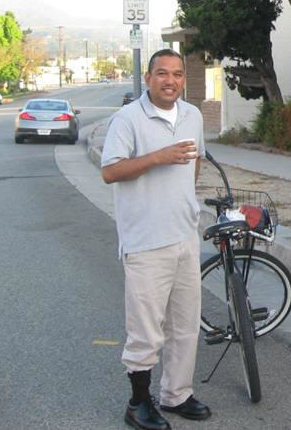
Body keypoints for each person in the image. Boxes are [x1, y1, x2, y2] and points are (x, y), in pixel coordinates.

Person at [101, 49, 211, 429]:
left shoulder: (193, 115)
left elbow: (195, 161)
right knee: (146, 329)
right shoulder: (127, 119)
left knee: (184, 325)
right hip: (145, 241)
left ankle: (176, 394)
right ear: (148, 78)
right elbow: (111, 172)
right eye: (162, 73)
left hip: (184, 235)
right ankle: (138, 402)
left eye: (178, 74)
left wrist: (181, 202)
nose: (171, 81)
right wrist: (157, 157)